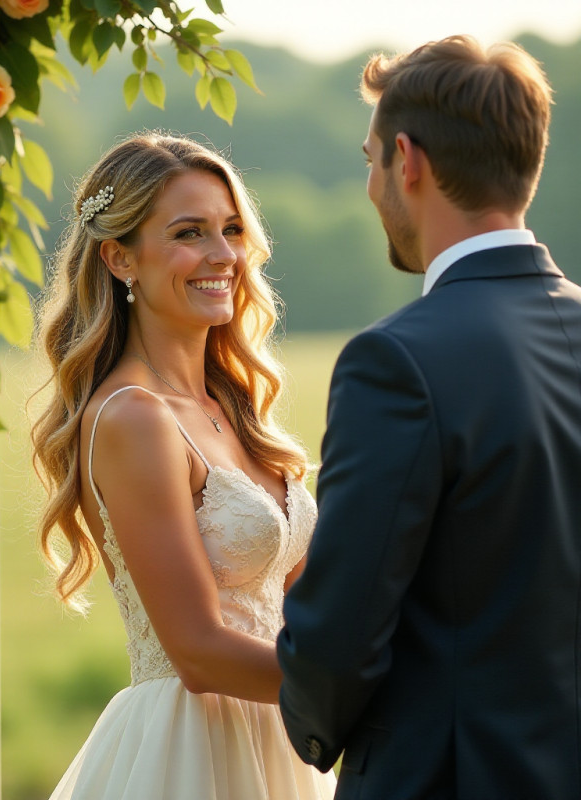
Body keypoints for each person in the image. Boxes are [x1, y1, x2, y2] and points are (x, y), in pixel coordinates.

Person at [277, 34, 581, 799]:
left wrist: (311, 717)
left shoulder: (397, 362)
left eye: (370, 156)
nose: (373, 184)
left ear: (406, 162)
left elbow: (343, 629)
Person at [31, 132, 336, 799]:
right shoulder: (133, 418)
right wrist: (363, 686)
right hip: (192, 751)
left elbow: (299, 601)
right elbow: (196, 651)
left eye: (230, 230)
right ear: (120, 259)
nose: (223, 255)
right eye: (189, 233)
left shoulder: (232, 404)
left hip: (283, 738)